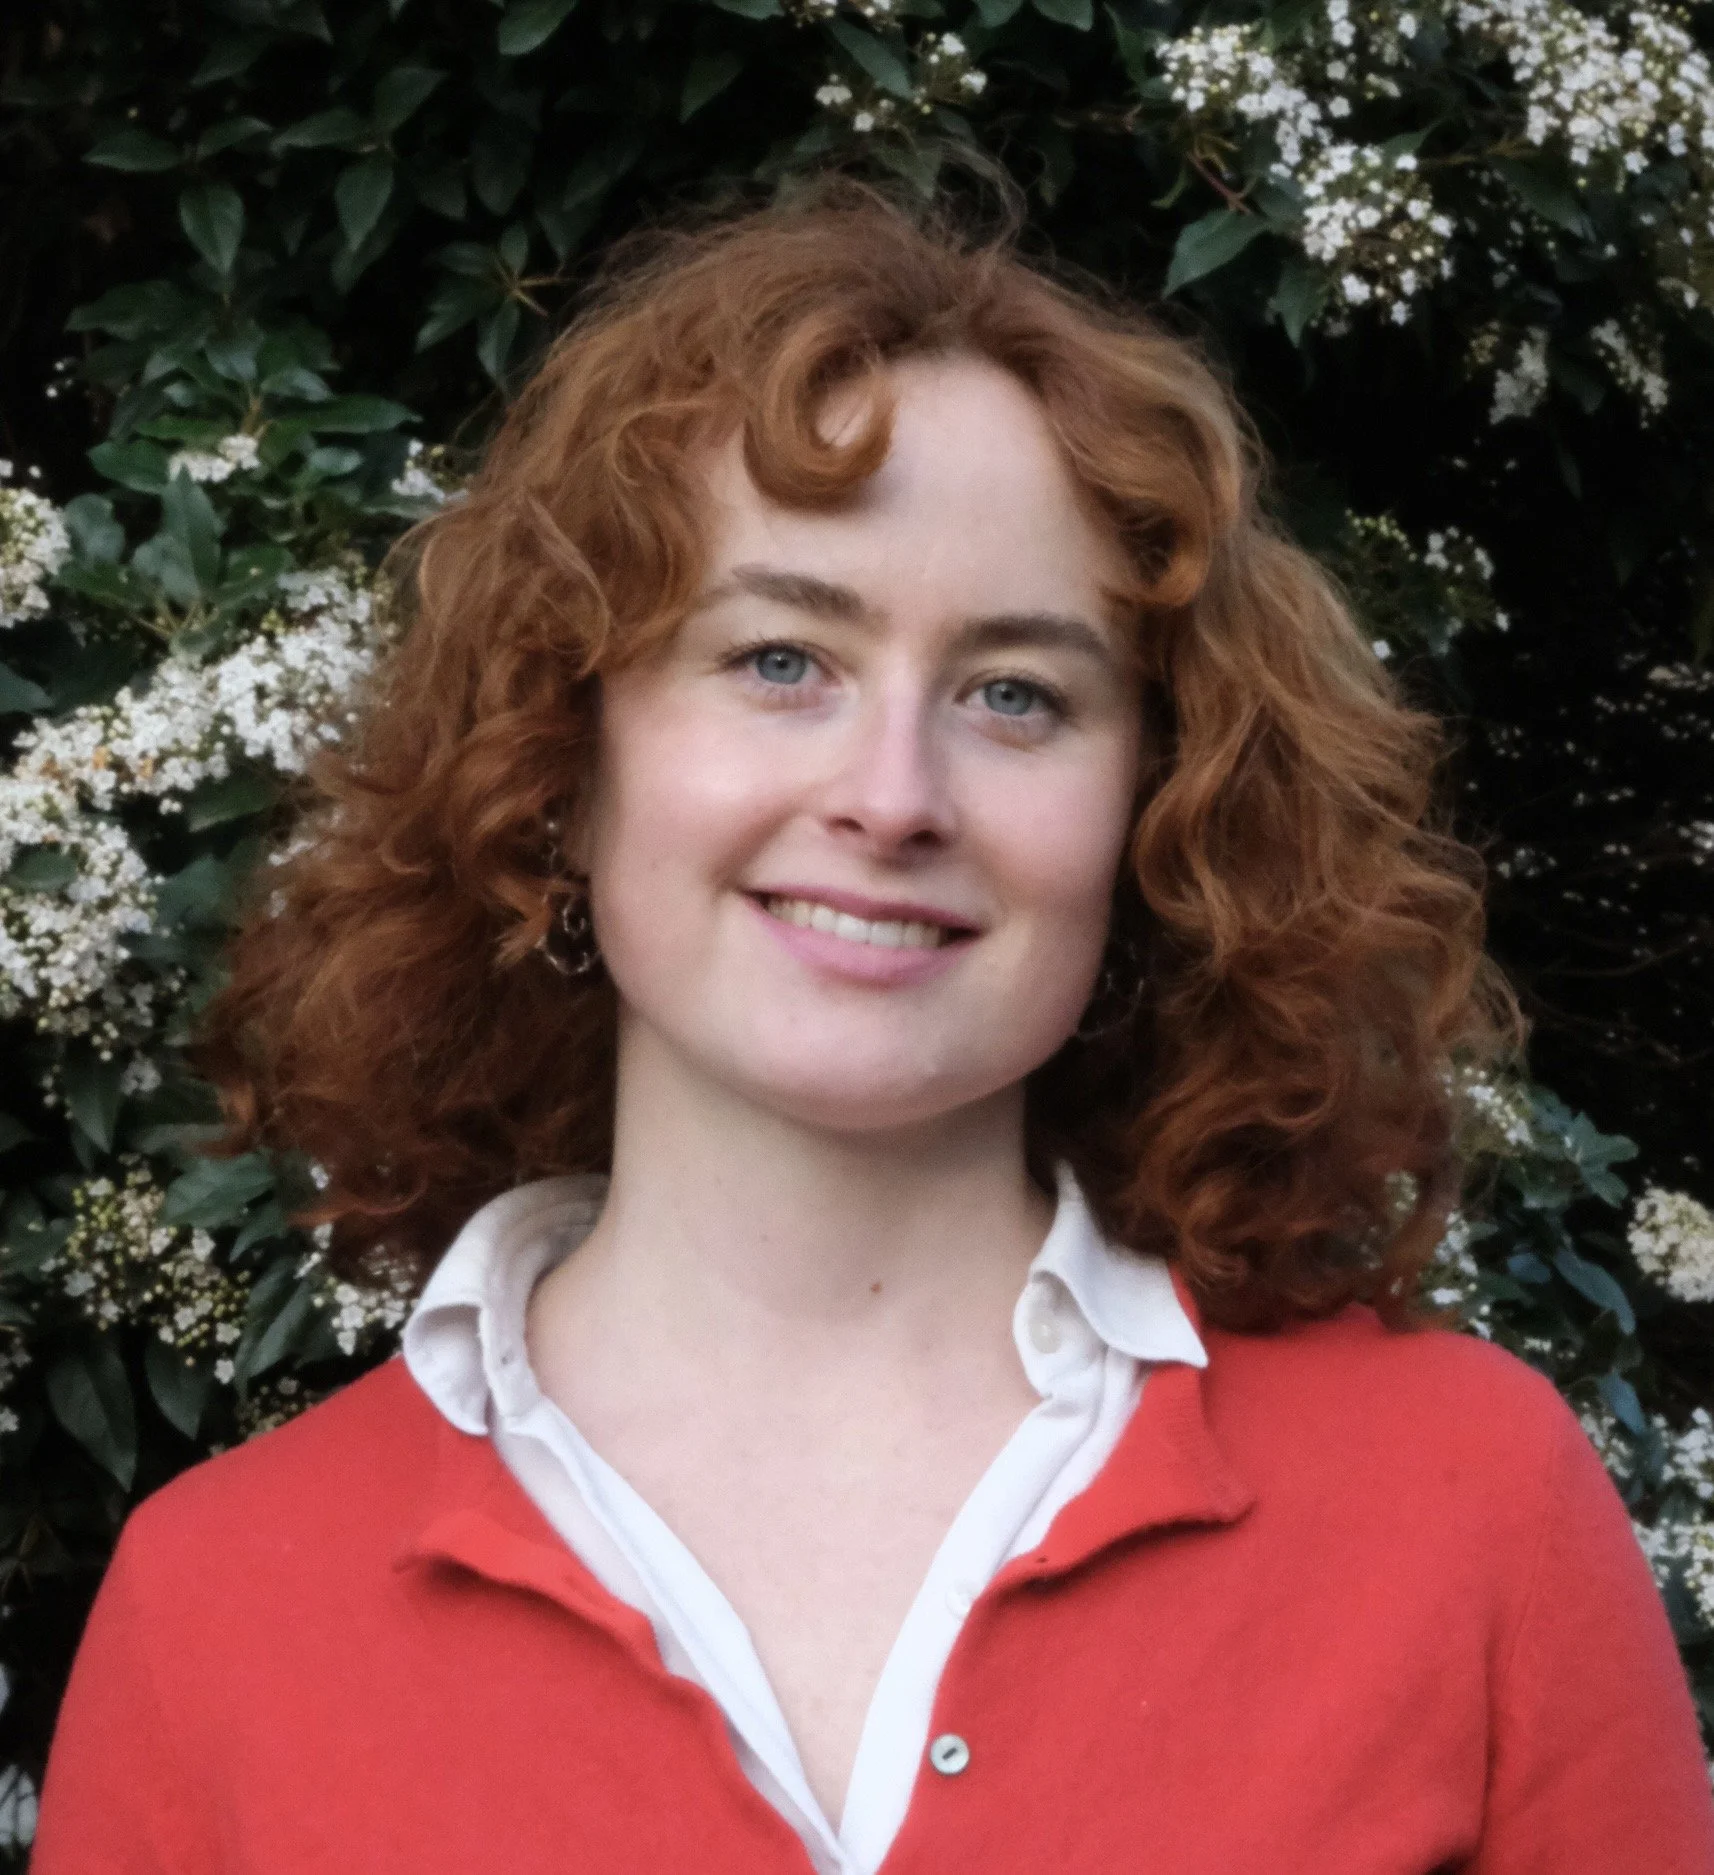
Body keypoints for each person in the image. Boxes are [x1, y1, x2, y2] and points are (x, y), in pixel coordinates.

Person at [31, 180, 1714, 1874]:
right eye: (779, 659)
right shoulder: (219, 1609)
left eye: (1015, 695)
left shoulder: (1468, 1509)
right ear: (559, 767)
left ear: (1152, 818)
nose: (891, 794)